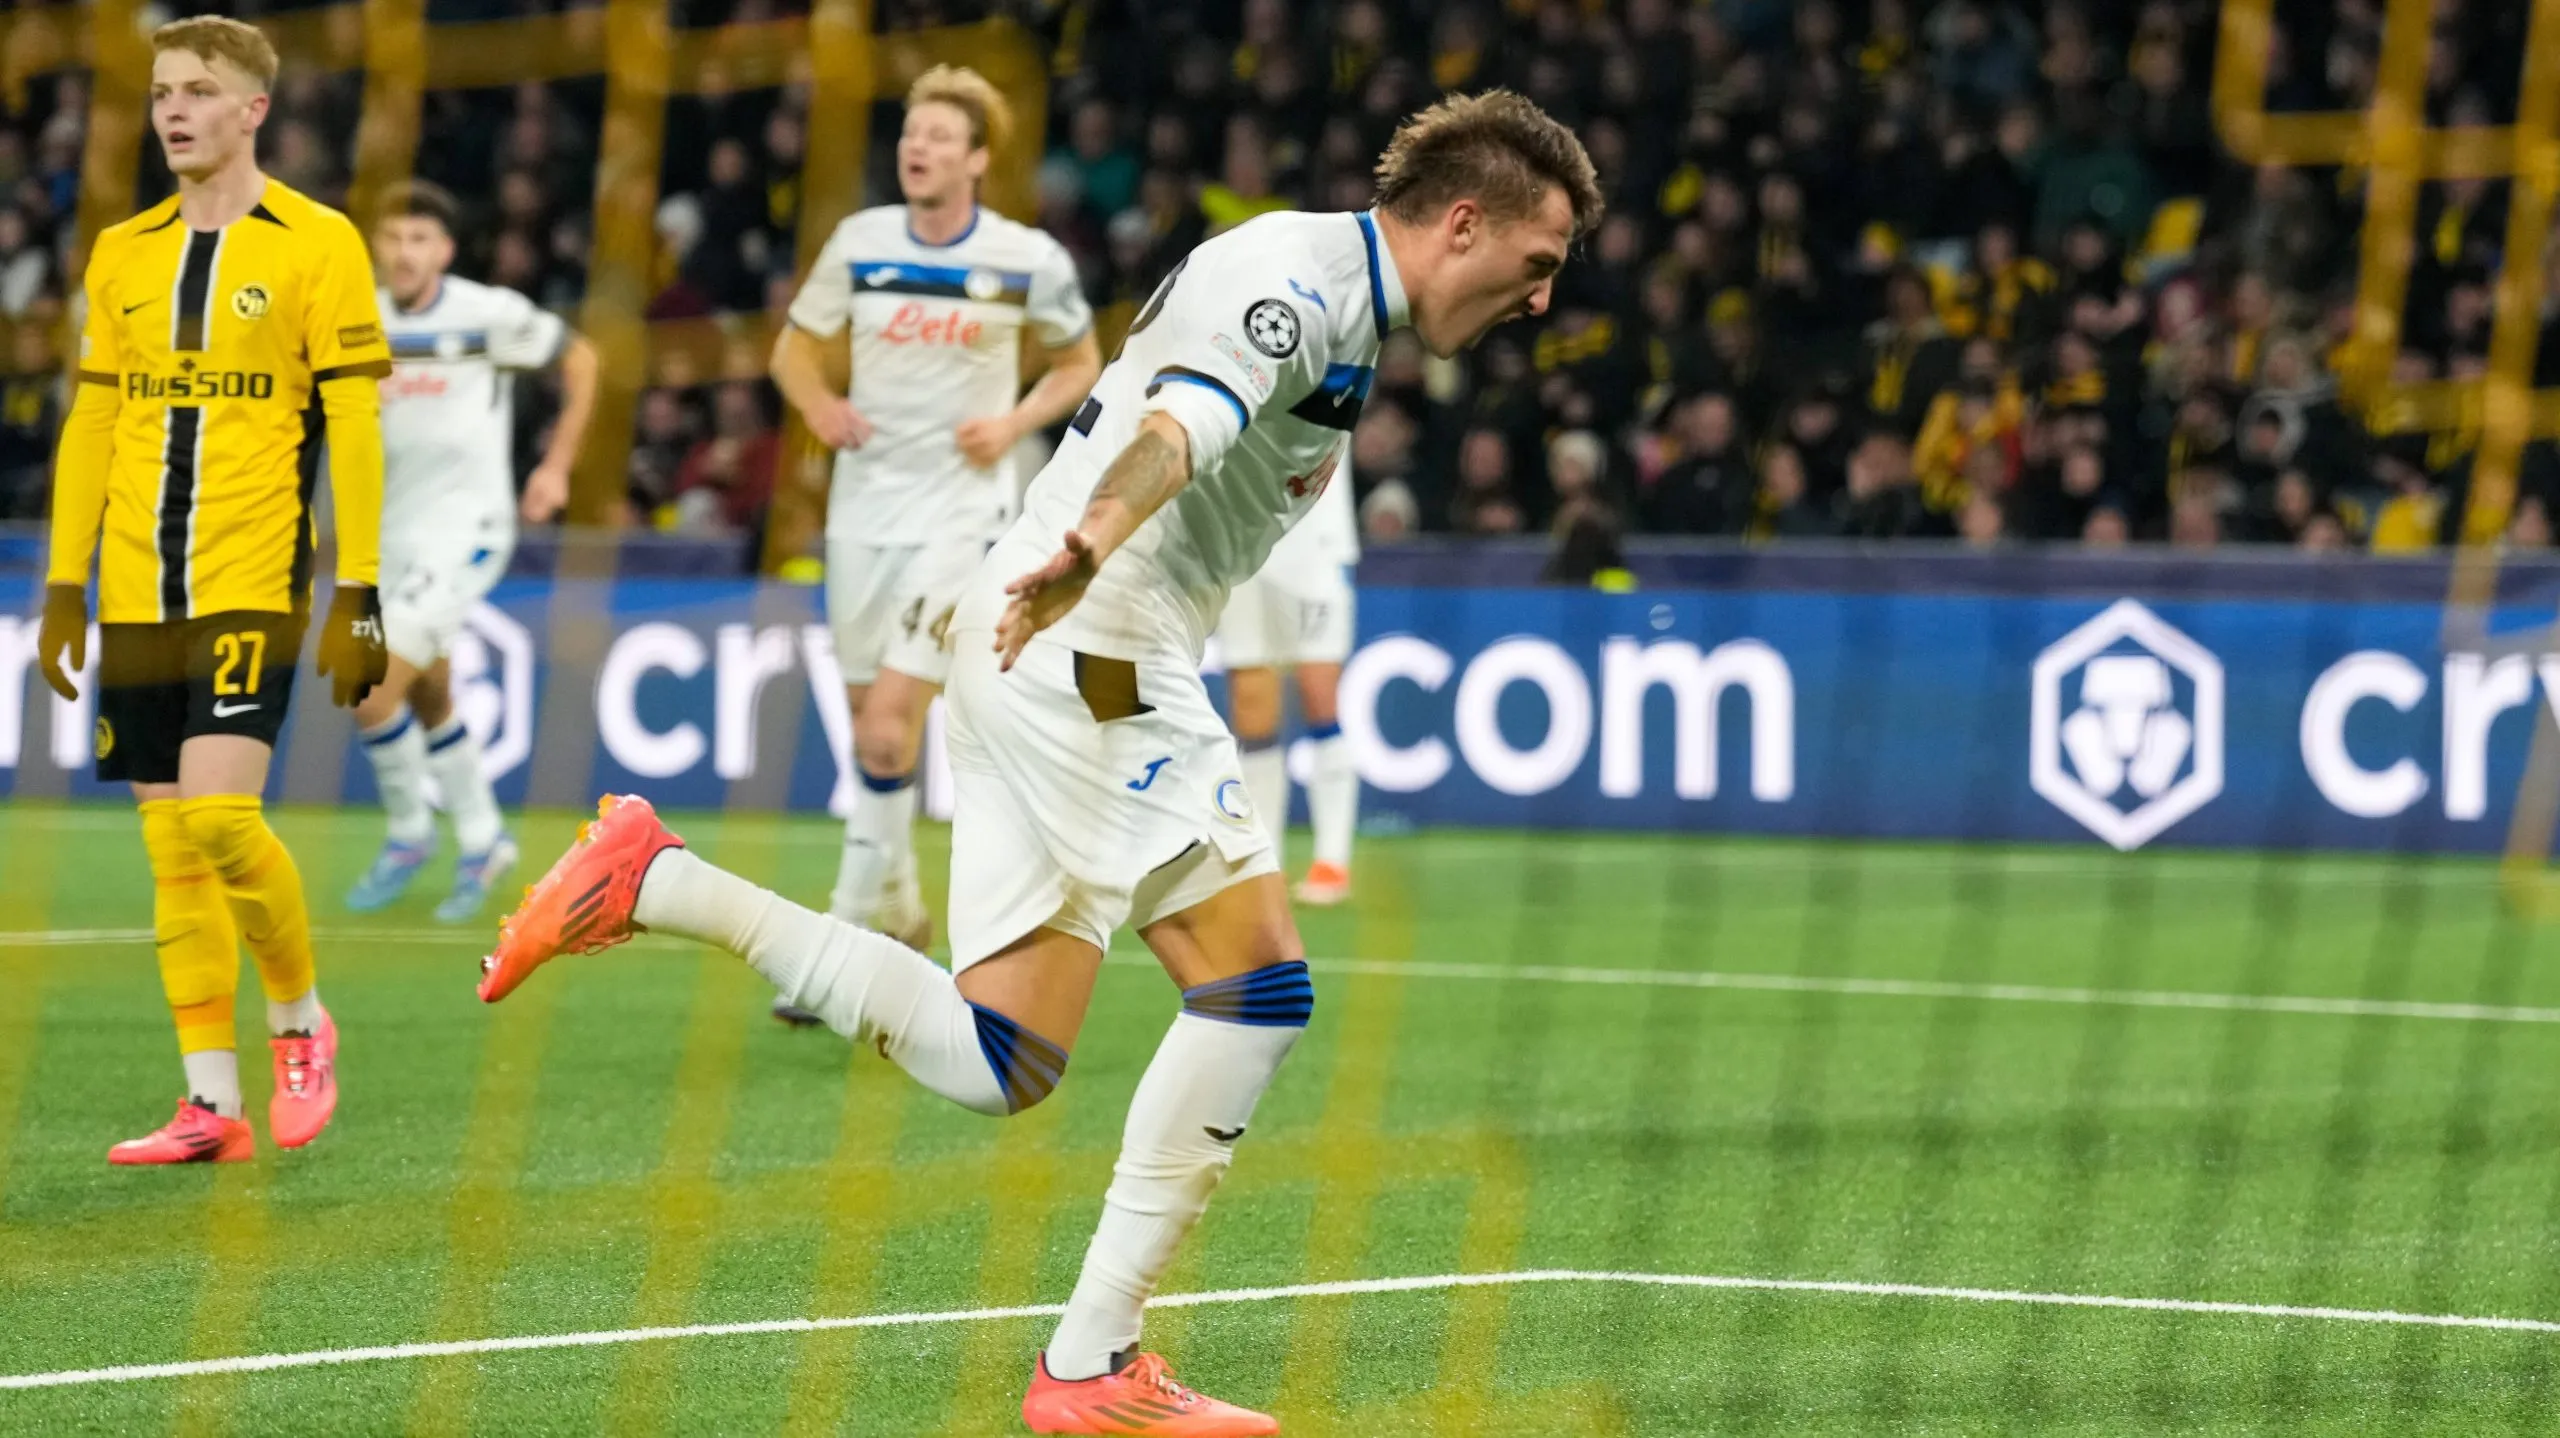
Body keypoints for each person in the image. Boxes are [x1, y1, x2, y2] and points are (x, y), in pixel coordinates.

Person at [478, 90, 1599, 1435]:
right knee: (1260, 989)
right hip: (1093, 630)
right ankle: (1092, 1365)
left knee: (999, 1055)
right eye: (1537, 266)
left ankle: (656, 881)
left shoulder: (1342, 297)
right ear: (1462, 222)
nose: (1541, 300)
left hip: (1040, 631)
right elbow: (1184, 420)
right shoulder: (1293, 281)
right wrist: (1095, 536)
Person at [36, 17, 391, 1164]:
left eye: (197, 91)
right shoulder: (122, 251)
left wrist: (362, 586)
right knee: (171, 854)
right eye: (159, 94)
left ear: (254, 111)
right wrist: (61, 583)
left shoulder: (317, 241)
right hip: (137, 590)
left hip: (253, 577)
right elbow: (93, 420)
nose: (173, 111)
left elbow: (354, 421)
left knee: (224, 821)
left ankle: (300, 1020)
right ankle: (210, 1105)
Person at [767, 64, 1101, 1024]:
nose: (920, 147)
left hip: (962, 516)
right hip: (861, 510)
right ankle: (904, 911)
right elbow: (793, 346)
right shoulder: (861, 244)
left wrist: (1014, 422)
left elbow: (1081, 361)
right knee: (875, 722)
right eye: (912, 133)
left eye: (941, 137)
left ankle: (834, 957)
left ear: (979, 159)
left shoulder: (1027, 257)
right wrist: (820, 403)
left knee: (883, 730)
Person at [344, 179, 598, 922]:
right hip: (388, 536)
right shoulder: (356, 319)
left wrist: (555, 467)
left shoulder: (487, 315)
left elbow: (583, 361)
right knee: (426, 691)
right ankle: (486, 841)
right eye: (392, 238)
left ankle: (408, 831)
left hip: (468, 529)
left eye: (419, 239)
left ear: (445, 251)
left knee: (371, 686)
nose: (404, 252)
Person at [1217, 448, 1361, 905]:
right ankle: (1266, 864)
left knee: (1319, 696)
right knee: (1252, 709)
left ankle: (1332, 861)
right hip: (1240, 540)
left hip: (1313, 541)